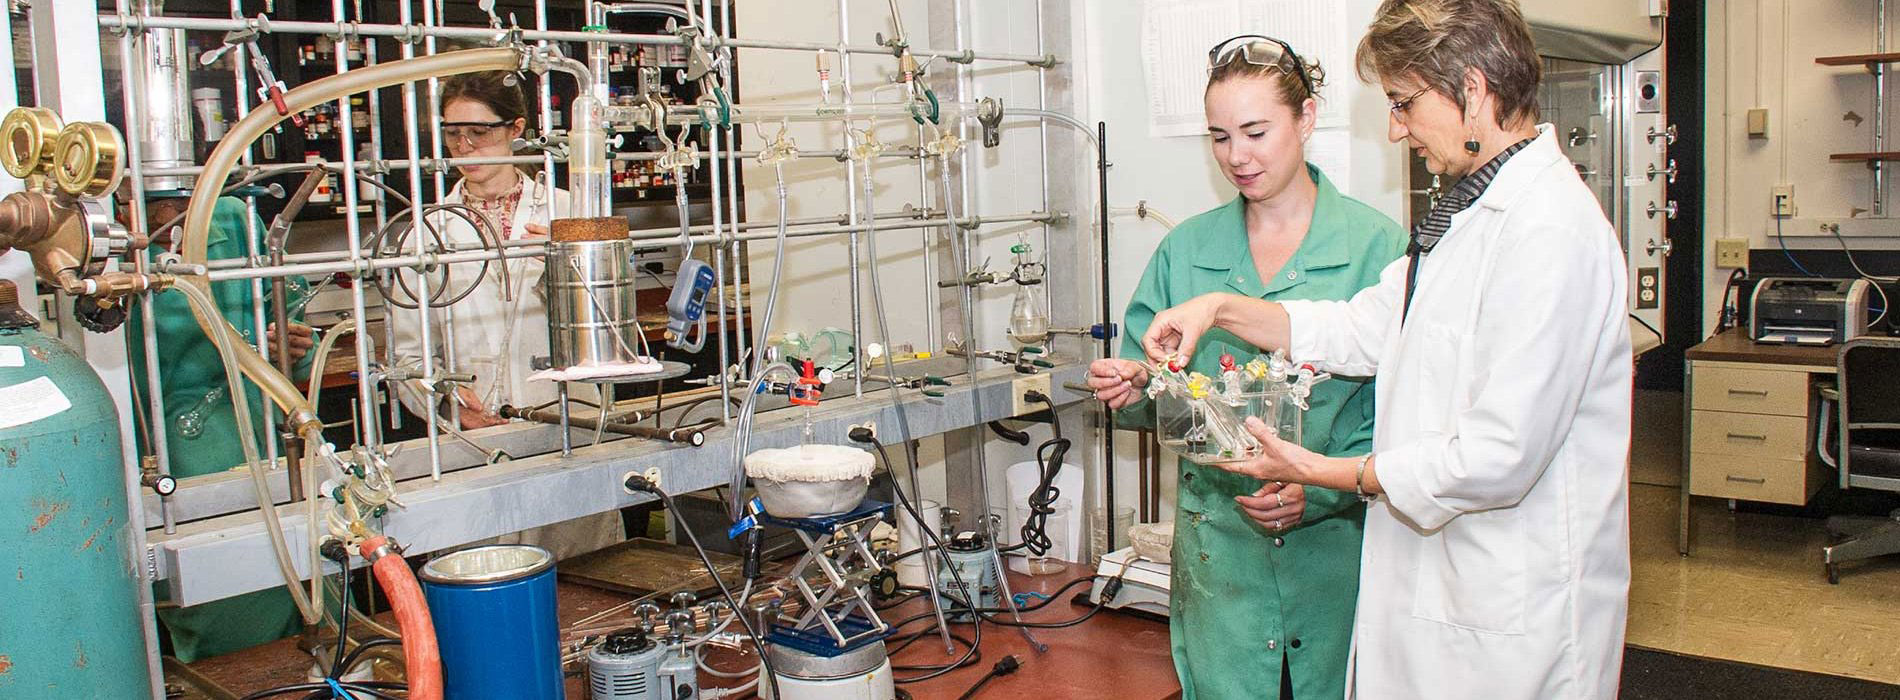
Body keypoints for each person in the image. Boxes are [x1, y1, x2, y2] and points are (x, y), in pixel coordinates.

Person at [1139, 1, 1632, 697]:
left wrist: (1324, 471)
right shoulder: (1467, 218)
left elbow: (1497, 458)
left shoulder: (1550, 232)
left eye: (1403, 103)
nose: (1396, 128)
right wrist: (1216, 306)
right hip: (1439, 596)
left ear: (1472, 89)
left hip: (1509, 610)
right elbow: (1357, 328)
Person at [1086, 36, 1406, 700]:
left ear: (1307, 119)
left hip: (1332, 565)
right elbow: (1157, 390)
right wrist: (1133, 386)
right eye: (1220, 137)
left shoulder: (1377, 250)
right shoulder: (1187, 250)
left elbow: (1401, 418)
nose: (1238, 156)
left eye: (1256, 132)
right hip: (1219, 566)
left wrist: (1318, 489)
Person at [388, 70, 620, 559]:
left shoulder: (569, 210)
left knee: (589, 579)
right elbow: (407, 355)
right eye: (453, 133)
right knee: (486, 580)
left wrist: (565, 264)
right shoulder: (426, 232)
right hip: (472, 444)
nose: (466, 146)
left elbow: (613, 329)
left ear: (516, 129)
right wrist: (448, 403)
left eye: (481, 131)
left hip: (566, 425)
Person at [127, 194, 315, 661]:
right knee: (223, 625)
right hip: (174, 464)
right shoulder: (104, 240)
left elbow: (289, 314)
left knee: (305, 615)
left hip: (265, 448)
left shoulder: (230, 216)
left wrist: (291, 346)